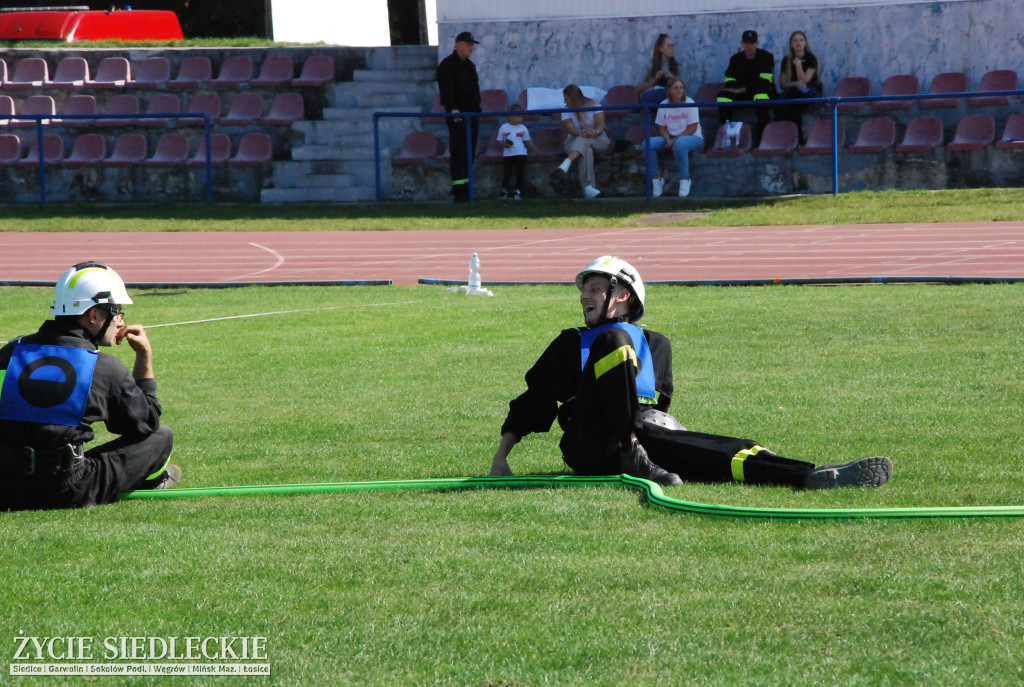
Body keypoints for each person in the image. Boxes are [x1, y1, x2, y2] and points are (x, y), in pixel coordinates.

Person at [489, 255, 893, 490]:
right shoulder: (571, 341)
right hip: (590, 440)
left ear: (623, 294)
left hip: (642, 437)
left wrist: (671, 440)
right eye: (585, 289)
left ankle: (808, 475)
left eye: (595, 288)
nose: (584, 296)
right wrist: (501, 457)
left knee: (719, 451)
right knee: (612, 342)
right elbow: (535, 400)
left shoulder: (657, 344)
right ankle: (631, 449)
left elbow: (657, 405)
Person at [0, 262, 179, 511]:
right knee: (162, 436)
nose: (120, 320)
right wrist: (144, 358)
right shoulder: (104, 367)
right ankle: (155, 479)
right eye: (115, 311)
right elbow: (144, 424)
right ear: (93, 315)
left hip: (6, 486)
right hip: (67, 488)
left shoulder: (12, 352)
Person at [436, 31, 482, 203]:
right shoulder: (447, 65)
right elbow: (447, 90)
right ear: (459, 44)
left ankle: (467, 189)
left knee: (470, 152)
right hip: (457, 116)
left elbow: (475, 91)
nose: (471, 48)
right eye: (469, 44)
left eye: (472, 45)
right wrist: (453, 108)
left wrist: (477, 110)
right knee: (459, 152)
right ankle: (458, 191)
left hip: (472, 116)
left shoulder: (470, 66)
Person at [643, 76, 703, 198]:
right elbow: (662, 128)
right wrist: (667, 139)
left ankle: (685, 179)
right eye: (675, 88)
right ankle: (656, 179)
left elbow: (692, 128)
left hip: (692, 137)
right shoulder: (663, 105)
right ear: (669, 90)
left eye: (681, 88)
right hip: (670, 137)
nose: (679, 91)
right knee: (647, 143)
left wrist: (675, 140)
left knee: (680, 144)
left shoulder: (690, 103)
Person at [716, 29, 778, 132]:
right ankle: (727, 131)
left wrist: (743, 88)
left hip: (759, 93)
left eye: (752, 43)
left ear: (757, 43)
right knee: (723, 97)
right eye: (746, 43)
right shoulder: (735, 59)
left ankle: (761, 132)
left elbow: (765, 83)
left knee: (761, 94)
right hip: (742, 94)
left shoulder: (766, 57)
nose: (749, 46)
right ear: (742, 43)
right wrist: (746, 88)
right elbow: (729, 82)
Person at [557, 84, 611, 199]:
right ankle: (589, 189)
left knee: (584, 141)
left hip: (598, 139)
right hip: (573, 141)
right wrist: (581, 133)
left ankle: (568, 161)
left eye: (566, 99)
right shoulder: (565, 110)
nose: (564, 102)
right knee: (585, 148)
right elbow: (570, 129)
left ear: (574, 98)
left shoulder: (594, 105)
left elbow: (601, 126)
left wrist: (594, 132)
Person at [776, 30, 822, 142]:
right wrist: (794, 83)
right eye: (795, 40)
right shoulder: (786, 60)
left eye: (801, 40)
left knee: (793, 98)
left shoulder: (811, 58)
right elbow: (782, 84)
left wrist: (798, 64)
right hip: (793, 92)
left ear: (805, 43)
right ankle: (791, 138)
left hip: (810, 92)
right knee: (786, 99)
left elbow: (805, 81)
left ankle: (797, 138)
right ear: (791, 44)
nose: (798, 43)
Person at [496, 104, 541, 200]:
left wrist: (537, 151)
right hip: (508, 154)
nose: (520, 119)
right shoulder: (503, 127)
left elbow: (528, 141)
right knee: (507, 173)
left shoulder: (523, 128)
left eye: (521, 116)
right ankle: (504, 191)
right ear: (510, 117)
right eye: (518, 116)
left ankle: (518, 191)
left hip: (521, 154)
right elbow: (499, 141)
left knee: (519, 173)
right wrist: (506, 145)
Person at [637, 33, 679, 106]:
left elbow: (683, 89)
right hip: (651, 97)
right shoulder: (649, 64)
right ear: (661, 48)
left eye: (673, 46)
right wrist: (654, 80)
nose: (672, 49)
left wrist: (672, 78)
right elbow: (638, 89)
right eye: (669, 46)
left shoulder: (676, 66)